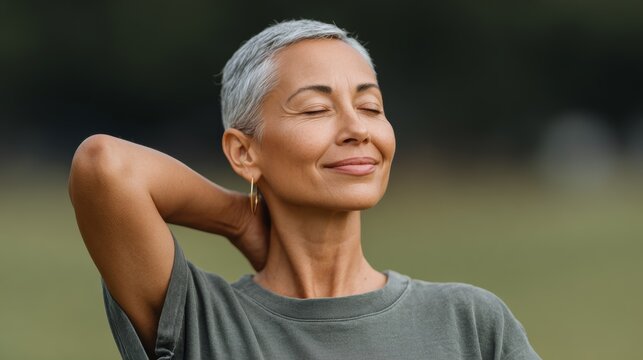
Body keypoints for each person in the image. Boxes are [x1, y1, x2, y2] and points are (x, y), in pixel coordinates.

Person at [69, 19, 541, 360]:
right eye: (316, 110)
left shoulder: (468, 322)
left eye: (371, 106)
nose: (358, 129)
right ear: (243, 153)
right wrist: (238, 220)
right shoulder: (202, 320)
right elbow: (104, 166)